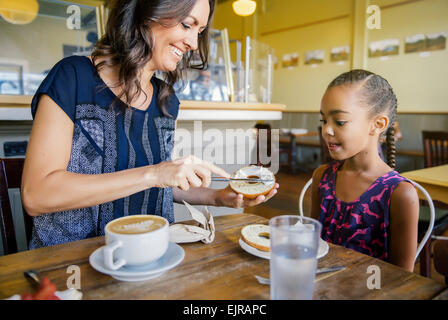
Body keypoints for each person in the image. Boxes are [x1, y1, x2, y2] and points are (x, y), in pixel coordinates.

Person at [21, 0, 278, 249]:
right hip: (71, 269)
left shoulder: (166, 99)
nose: (192, 43)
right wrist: (155, 173)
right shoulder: (72, 77)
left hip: (151, 255)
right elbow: (36, 195)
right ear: (146, 11)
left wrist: (219, 198)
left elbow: (166, 186)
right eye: (187, 25)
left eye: (199, 32)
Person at [310, 70, 419, 271]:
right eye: (324, 120)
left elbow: (402, 279)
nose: (326, 130)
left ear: (377, 124)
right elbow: (311, 244)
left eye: (340, 122)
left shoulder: (400, 194)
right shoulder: (322, 177)